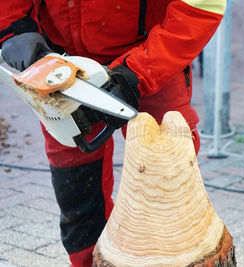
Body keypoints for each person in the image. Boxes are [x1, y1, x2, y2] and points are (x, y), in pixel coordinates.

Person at [0, 1, 226, 266]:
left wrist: (137, 73)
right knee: (77, 194)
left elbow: (200, 6)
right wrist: (13, 27)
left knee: (169, 186)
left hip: (153, 54)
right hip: (61, 60)